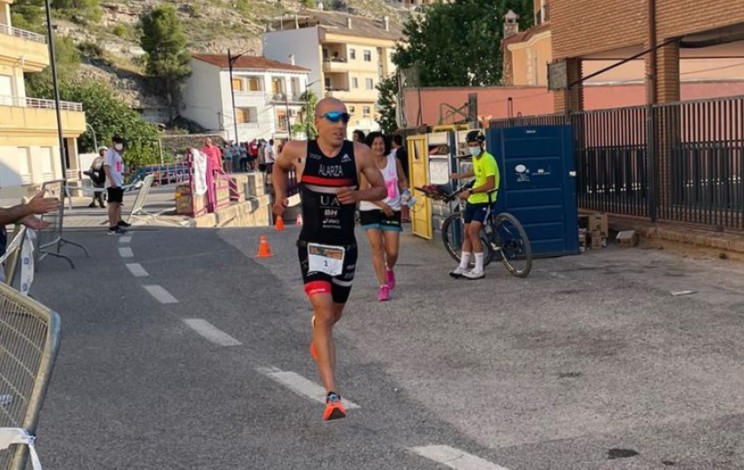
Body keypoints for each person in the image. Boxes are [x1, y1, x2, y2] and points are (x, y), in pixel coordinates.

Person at [273, 97, 386, 421]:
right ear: (317, 122)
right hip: (312, 245)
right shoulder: (299, 151)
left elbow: (380, 189)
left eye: (345, 118)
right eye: (333, 118)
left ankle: (319, 339)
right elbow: (278, 168)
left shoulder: (359, 153)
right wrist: (280, 195)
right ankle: (332, 395)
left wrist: (359, 195)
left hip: (345, 247)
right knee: (323, 313)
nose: (340, 124)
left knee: (333, 316)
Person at [359, 132, 408, 301]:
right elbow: (364, 191)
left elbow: (402, 180)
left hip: (392, 208)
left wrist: (406, 193)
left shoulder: (394, 162)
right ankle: (383, 286)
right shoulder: (365, 165)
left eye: (381, 143)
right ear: (369, 146)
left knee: (392, 251)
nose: (378, 147)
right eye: (374, 144)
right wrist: (382, 205)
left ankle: (389, 267)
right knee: (377, 248)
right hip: (370, 208)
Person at [448, 130, 500, 280]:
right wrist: (461, 175)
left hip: (485, 199)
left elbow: (490, 184)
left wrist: (470, 191)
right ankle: (463, 266)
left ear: (482, 144)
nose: (472, 147)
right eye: (470, 145)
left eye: (475, 145)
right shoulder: (476, 157)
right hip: (474, 200)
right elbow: (477, 172)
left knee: (473, 232)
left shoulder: (488, 159)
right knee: (466, 233)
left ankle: (479, 268)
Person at [104, 136, 131, 235]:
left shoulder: (117, 155)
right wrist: (112, 181)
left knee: (118, 203)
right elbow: (106, 167)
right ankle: (112, 227)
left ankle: (118, 222)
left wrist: (125, 174)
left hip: (119, 181)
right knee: (113, 204)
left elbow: (118, 170)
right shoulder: (110, 153)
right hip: (113, 183)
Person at [391, 134, 410, 222]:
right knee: (405, 197)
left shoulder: (398, 153)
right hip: (405, 176)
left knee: (402, 198)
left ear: (394, 142)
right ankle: (406, 216)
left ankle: (404, 216)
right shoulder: (403, 151)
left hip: (400, 178)